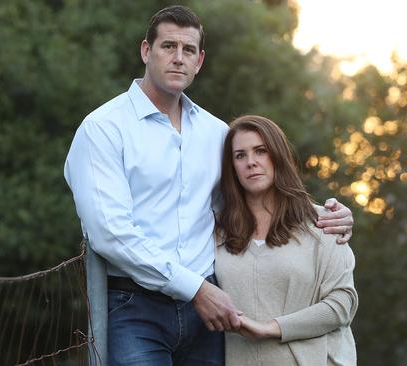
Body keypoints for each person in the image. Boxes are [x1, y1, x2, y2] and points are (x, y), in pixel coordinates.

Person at [64, 5, 354, 366]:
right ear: (145, 51)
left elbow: (249, 197)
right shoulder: (104, 128)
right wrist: (196, 288)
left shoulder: (215, 133)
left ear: (199, 61)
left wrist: (324, 215)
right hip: (136, 307)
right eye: (168, 46)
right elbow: (110, 233)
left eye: (188, 51)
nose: (178, 58)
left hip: (208, 315)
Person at [215, 115, 358, 366]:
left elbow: (342, 304)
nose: (251, 162)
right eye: (240, 155)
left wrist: (269, 328)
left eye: (261, 151)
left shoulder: (323, 223)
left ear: (278, 156)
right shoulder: (217, 231)